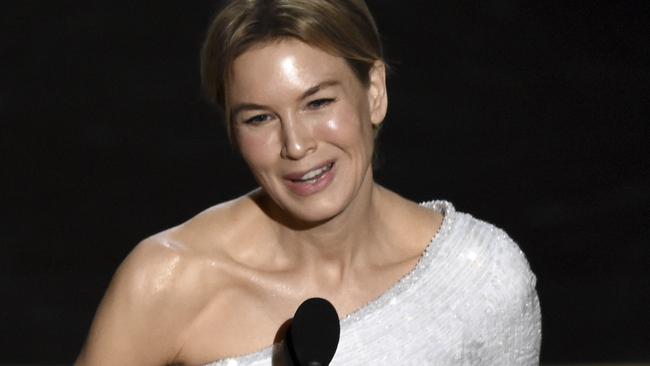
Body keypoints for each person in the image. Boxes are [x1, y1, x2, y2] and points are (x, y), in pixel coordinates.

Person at [76, 0, 541, 365]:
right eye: (259, 118)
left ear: (374, 93)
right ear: (232, 132)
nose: (296, 146)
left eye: (317, 103)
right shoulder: (167, 281)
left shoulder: (479, 278)